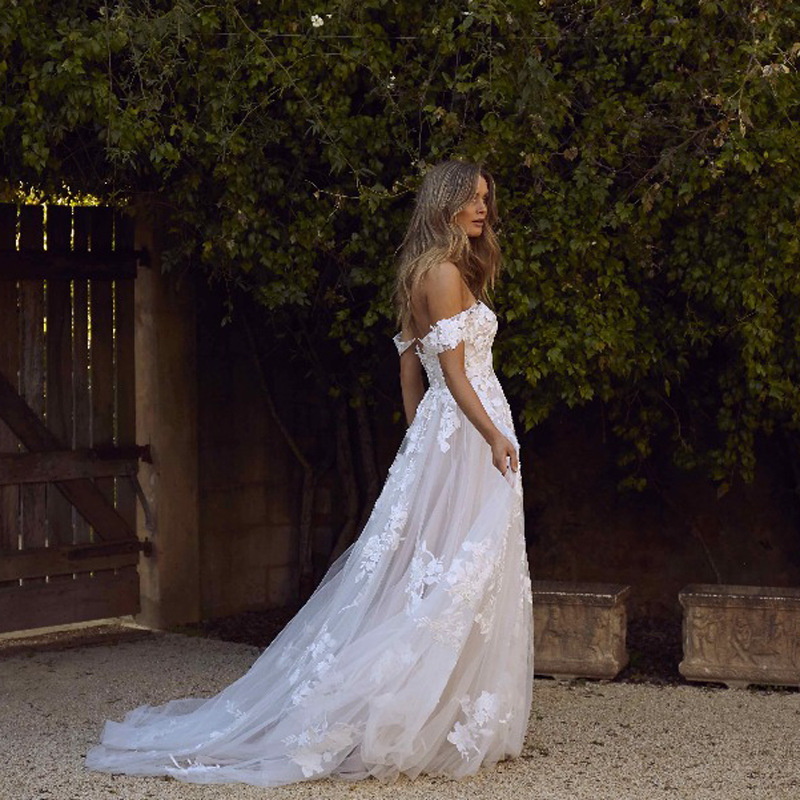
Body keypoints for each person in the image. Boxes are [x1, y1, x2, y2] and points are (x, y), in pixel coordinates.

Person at [85, 159, 534, 787]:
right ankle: (410, 710)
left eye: (487, 198)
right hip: (471, 431)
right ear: (446, 205)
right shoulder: (442, 273)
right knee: (454, 569)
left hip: (452, 434)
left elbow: (410, 368)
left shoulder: (427, 273)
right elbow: (453, 374)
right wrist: (483, 435)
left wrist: (421, 439)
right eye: (473, 200)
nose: (484, 210)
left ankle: (443, 707)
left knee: (452, 567)